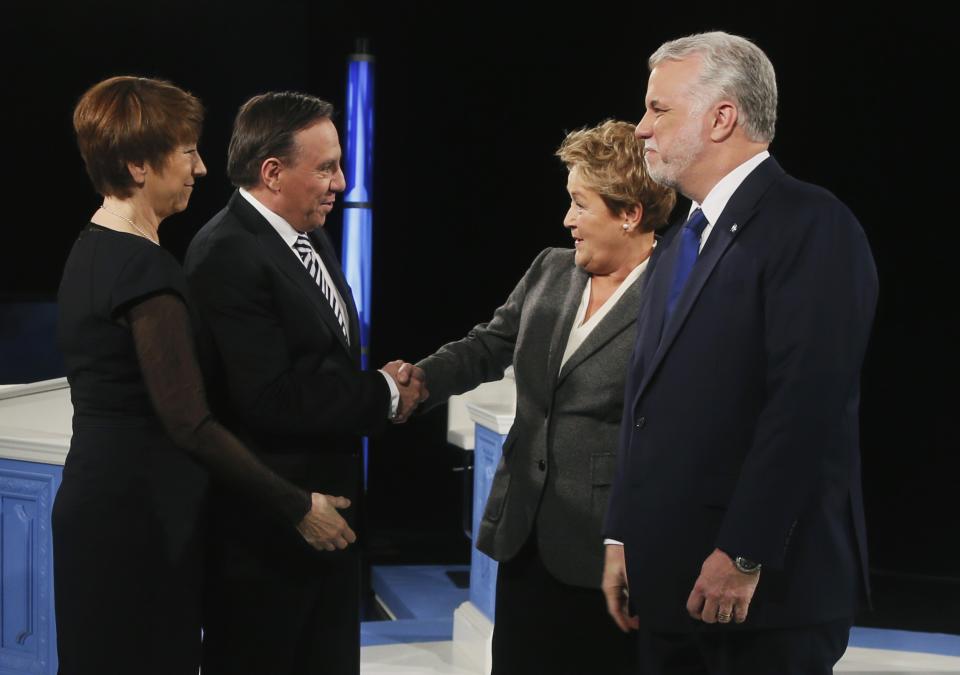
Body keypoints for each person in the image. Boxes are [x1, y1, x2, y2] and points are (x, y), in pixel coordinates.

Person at [54, 76, 355, 675]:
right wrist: (297, 505)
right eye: (186, 152)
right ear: (139, 165)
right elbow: (190, 421)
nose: (198, 168)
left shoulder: (90, 249)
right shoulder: (146, 272)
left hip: (102, 504)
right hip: (143, 522)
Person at [602, 32, 878, 674]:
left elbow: (805, 407)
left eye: (658, 110)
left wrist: (745, 552)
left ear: (722, 116)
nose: (641, 129)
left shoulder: (814, 225)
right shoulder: (677, 243)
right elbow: (643, 403)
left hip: (762, 596)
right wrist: (622, 535)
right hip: (669, 585)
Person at [393, 120, 675, 674]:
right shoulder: (552, 269)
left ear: (629, 214)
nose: (567, 219)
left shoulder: (679, 292)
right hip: (526, 535)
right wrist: (417, 382)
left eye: (580, 204)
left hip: (612, 553)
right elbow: (486, 346)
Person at [183, 91, 425, 675]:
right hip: (267, 541)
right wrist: (385, 394)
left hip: (330, 529)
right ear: (272, 173)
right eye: (326, 167)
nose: (340, 182)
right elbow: (270, 398)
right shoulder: (227, 253)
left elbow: (323, 365)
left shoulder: (306, 232)